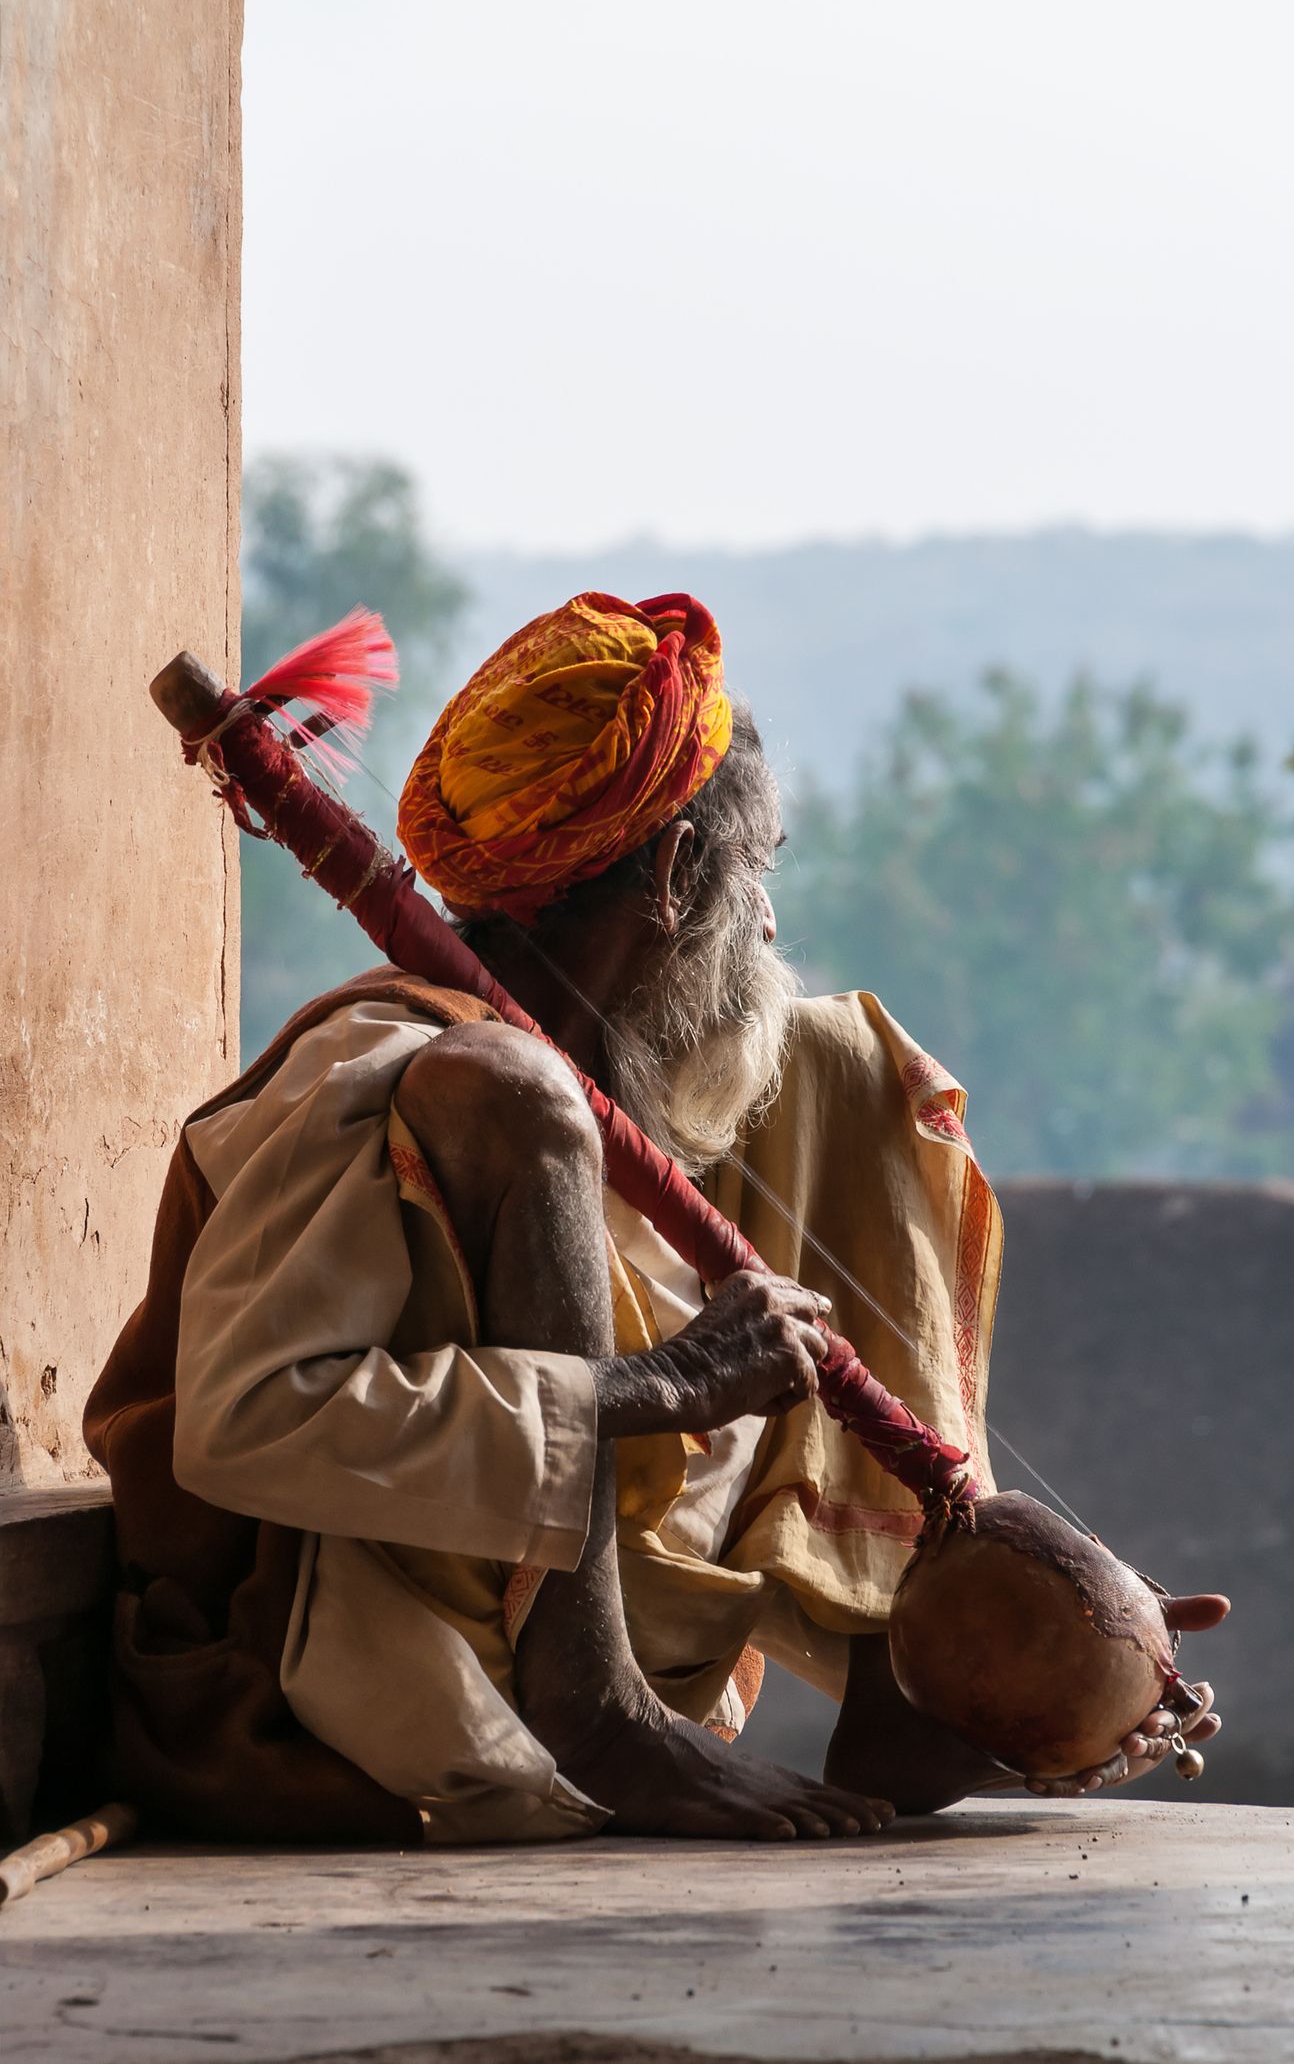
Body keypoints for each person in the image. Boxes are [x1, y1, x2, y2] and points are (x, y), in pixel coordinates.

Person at [86, 592, 1225, 1845]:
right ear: (679, 878)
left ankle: (918, 1626)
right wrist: (647, 1389)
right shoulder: (399, 1073)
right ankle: (602, 1709)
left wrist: (1034, 1607)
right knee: (516, 1096)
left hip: (550, 1601)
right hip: (344, 1663)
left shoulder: (632, 1089)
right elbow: (239, 1426)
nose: (772, 923)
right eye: (759, 874)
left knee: (839, 1056)